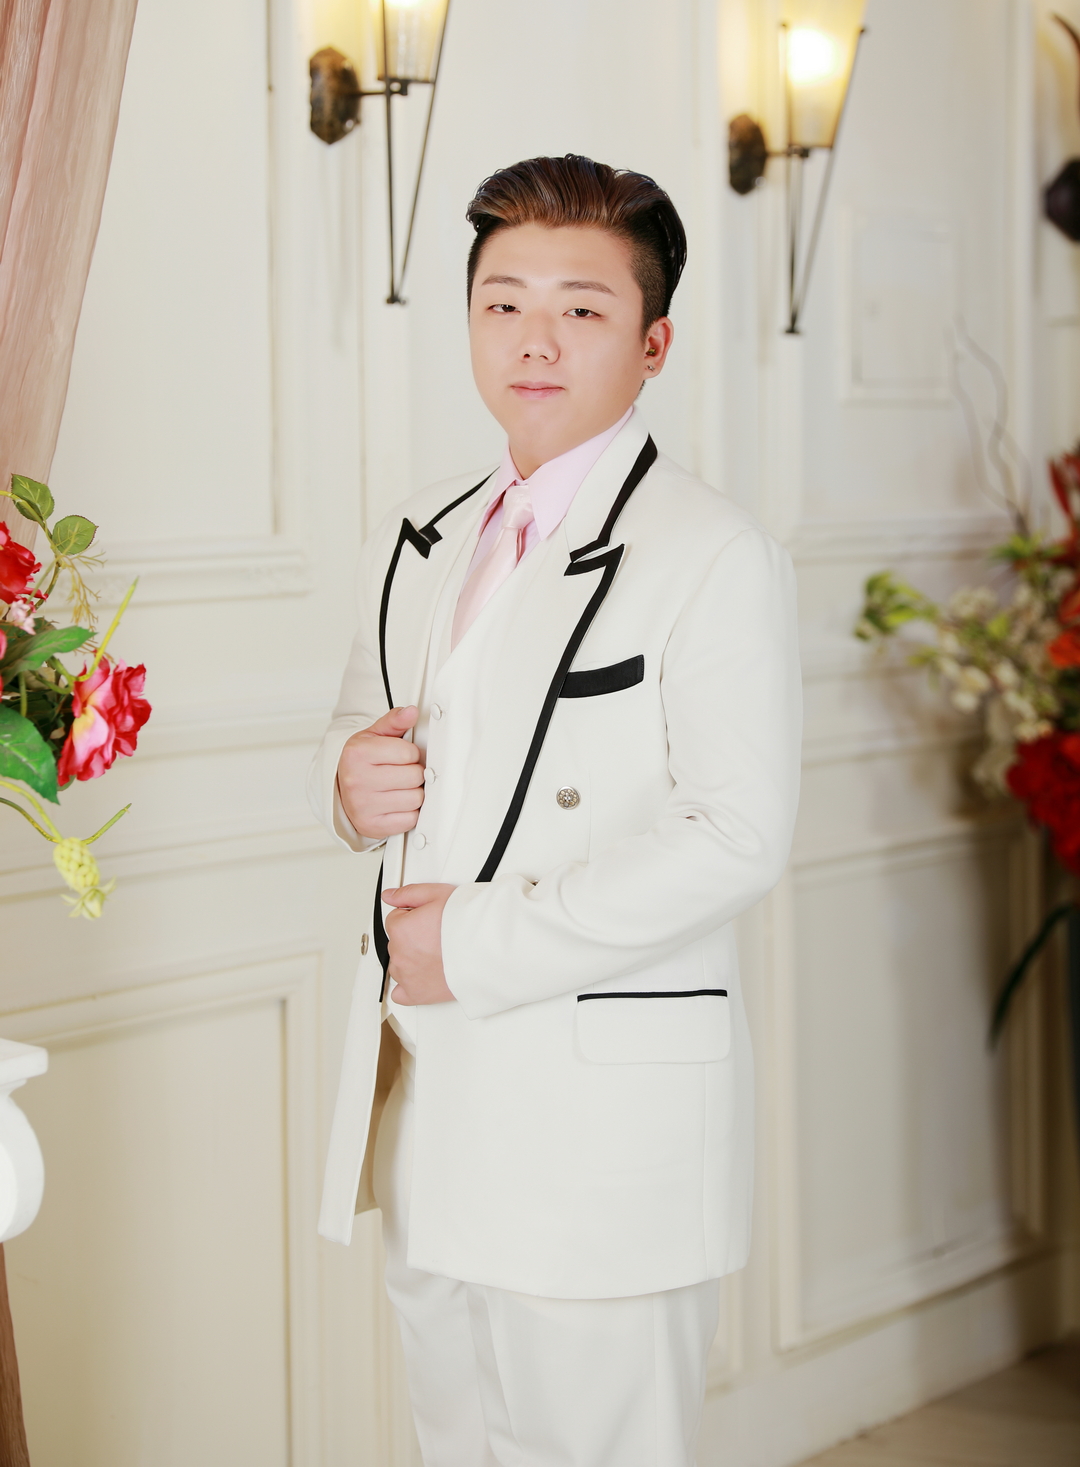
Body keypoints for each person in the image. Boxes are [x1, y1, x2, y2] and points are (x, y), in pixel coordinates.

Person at [308, 154, 802, 1467]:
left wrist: (472, 945)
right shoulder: (419, 534)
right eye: (504, 302)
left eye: (581, 308)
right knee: (456, 1441)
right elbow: (362, 729)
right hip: (430, 1101)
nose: (535, 339)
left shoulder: (713, 552)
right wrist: (346, 782)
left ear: (654, 344)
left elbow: (738, 834)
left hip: (596, 1118)